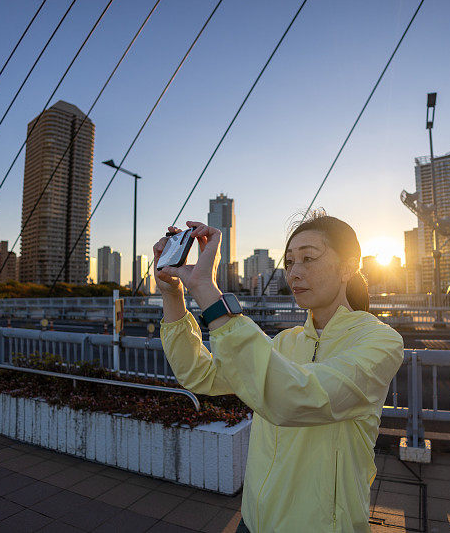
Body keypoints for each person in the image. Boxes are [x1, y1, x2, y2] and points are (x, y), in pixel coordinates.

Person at [155, 212, 404, 533]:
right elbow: (198, 374)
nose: (295, 273)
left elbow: (298, 397)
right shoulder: (287, 341)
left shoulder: (379, 341)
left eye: (309, 258)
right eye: (289, 262)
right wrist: (173, 294)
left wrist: (207, 290)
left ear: (349, 265)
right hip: (254, 521)